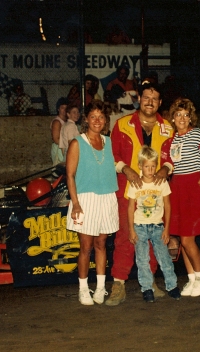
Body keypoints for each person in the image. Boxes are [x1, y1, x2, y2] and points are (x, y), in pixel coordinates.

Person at [106, 80, 174, 306]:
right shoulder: (122, 124)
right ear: (139, 100)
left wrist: (166, 168)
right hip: (129, 193)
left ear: (160, 103)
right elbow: (112, 156)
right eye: (146, 98)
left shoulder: (168, 128)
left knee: (155, 238)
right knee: (126, 237)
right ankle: (118, 285)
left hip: (155, 196)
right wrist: (126, 169)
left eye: (154, 99)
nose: (150, 102)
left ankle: (151, 282)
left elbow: (172, 158)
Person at [161, 98, 200, 297]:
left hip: (193, 188)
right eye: (178, 115)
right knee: (181, 238)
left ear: (191, 118)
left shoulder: (197, 134)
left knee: (188, 239)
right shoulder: (171, 140)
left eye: (186, 115)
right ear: (172, 118)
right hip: (177, 188)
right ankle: (191, 279)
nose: (182, 118)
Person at [66, 99, 119, 305]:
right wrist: (76, 203)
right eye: (93, 117)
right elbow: (70, 176)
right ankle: (82, 289)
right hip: (85, 200)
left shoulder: (109, 142)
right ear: (86, 120)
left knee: (101, 244)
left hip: (107, 198)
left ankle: (100, 288)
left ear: (105, 121)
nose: (97, 120)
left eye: (101, 117)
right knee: (85, 247)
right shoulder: (77, 142)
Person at [128, 145, 180, 302]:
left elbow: (168, 205)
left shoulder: (161, 183)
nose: (150, 170)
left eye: (153, 166)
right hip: (140, 226)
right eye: (146, 167)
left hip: (158, 226)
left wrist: (167, 229)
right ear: (140, 166)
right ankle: (147, 288)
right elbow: (131, 208)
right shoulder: (135, 184)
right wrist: (131, 230)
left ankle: (172, 285)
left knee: (164, 257)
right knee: (142, 259)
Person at [50, 97, 68, 165]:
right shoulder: (57, 122)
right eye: (62, 108)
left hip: (64, 147)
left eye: (66, 108)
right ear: (58, 109)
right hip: (59, 148)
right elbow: (56, 139)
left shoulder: (67, 121)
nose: (64, 110)